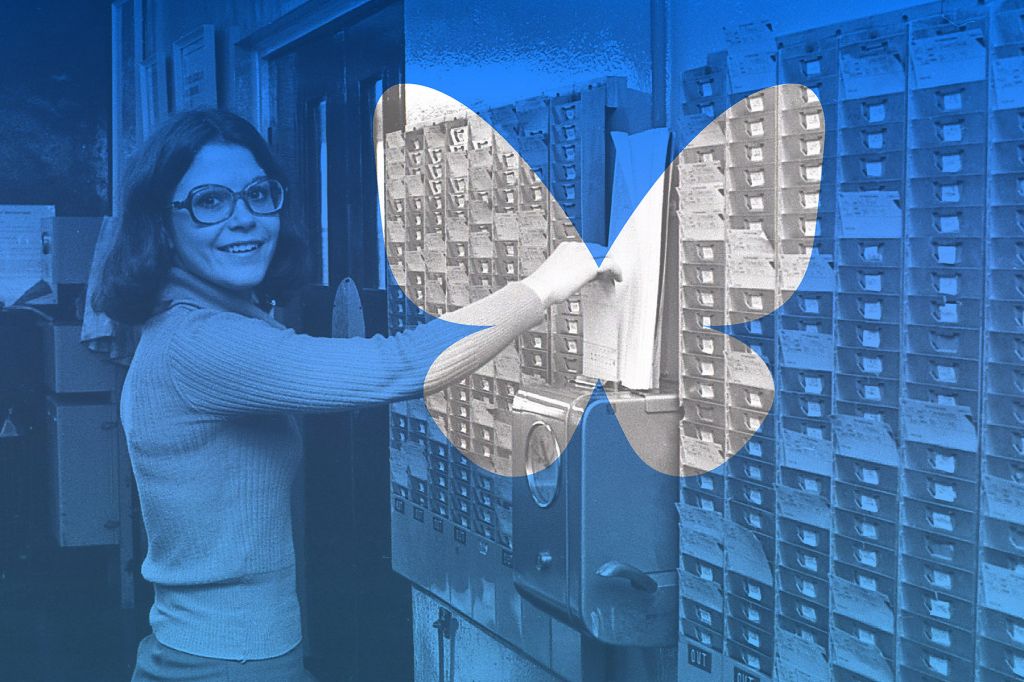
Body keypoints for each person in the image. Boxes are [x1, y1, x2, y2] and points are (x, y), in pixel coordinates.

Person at [91, 109, 616, 681]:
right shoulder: (200, 342)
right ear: (163, 226)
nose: (244, 220)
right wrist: (545, 284)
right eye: (210, 202)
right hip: (229, 662)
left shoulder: (211, 319)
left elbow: (301, 358)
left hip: (218, 650)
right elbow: (397, 366)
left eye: (258, 194)